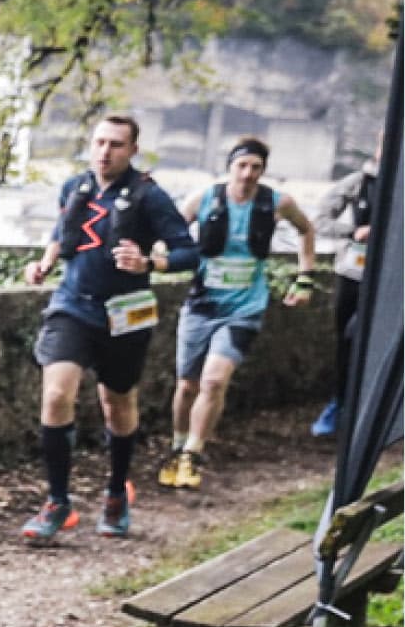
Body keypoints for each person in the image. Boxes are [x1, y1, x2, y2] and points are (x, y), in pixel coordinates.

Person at [19, 114, 196, 544]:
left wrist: (149, 262)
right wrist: (44, 263)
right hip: (72, 304)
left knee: (117, 405)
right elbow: (61, 234)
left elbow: (189, 253)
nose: (105, 152)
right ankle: (58, 501)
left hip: (125, 312)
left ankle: (116, 493)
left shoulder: (150, 196)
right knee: (56, 394)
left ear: (133, 150)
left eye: (116, 144)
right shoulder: (74, 186)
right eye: (99, 142)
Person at [158, 137, 317, 489]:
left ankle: (193, 454)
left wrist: (305, 277)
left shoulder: (277, 202)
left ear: (263, 170)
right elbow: (170, 234)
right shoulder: (203, 199)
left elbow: (306, 229)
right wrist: (158, 257)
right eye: (241, 165)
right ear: (229, 166)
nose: (247, 174)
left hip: (246, 306)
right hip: (202, 305)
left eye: (255, 167)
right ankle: (177, 445)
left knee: (214, 380)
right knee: (187, 385)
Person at [314, 153, 381, 438]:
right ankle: (340, 404)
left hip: (391, 281)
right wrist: (354, 231)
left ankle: (374, 411)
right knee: (346, 339)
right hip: (353, 274)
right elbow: (320, 220)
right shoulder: (358, 182)